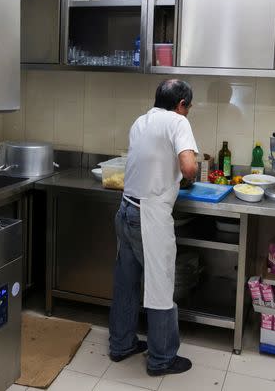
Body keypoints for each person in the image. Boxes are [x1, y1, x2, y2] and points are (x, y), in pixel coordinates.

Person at [108, 79, 199, 376]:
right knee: (160, 286)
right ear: (182, 104)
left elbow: (149, 159)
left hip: (125, 211)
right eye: (188, 108)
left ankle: (121, 345)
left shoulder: (140, 121)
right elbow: (188, 167)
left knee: (126, 283)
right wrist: (188, 174)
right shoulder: (177, 121)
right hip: (149, 215)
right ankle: (161, 358)